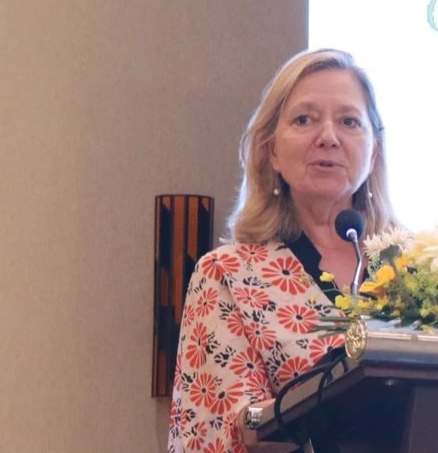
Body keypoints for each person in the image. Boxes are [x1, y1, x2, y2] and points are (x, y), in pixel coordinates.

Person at [167, 48, 398, 453]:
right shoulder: (229, 274)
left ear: (374, 150)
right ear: (271, 149)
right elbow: (226, 427)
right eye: (304, 119)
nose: (328, 137)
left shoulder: (417, 270)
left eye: (349, 121)